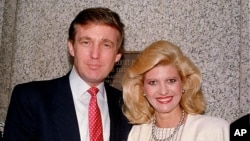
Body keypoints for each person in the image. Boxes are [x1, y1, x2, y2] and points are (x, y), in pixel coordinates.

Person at [3, 7, 131, 141]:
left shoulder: (128, 106)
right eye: (86, 43)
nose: (95, 55)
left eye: (106, 45)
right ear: (71, 47)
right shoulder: (31, 99)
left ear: (117, 55)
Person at [122, 40, 229, 141]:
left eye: (171, 81)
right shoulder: (137, 134)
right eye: (153, 82)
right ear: (142, 88)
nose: (163, 91)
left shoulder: (214, 130)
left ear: (184, 83)